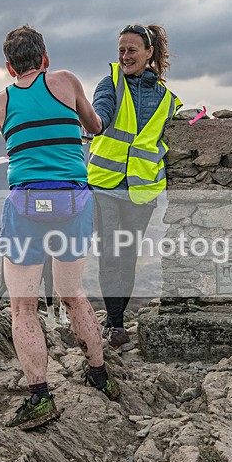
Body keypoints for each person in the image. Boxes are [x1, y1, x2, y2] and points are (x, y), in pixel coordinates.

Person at [0, 26, 119, 431]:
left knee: (23, 305)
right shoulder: (65, 81)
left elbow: (17, 140)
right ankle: (99, 374)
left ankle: (40, 398)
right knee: (74, 293)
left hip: (27, 205)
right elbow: (95, 126)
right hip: (72, 201)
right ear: (45, 58)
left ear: (9, 66)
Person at [88, 24, 181, 351]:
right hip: (105, 186)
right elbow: (101, 111)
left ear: (149, 53)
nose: (125, 56)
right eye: (121, 50)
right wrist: (94, 122)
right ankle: (115, 324)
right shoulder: (110, 83)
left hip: (141, 191)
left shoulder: (168, 99)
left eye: (132, 50)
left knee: (127, 256)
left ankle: (116, 318)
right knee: (110, 254)